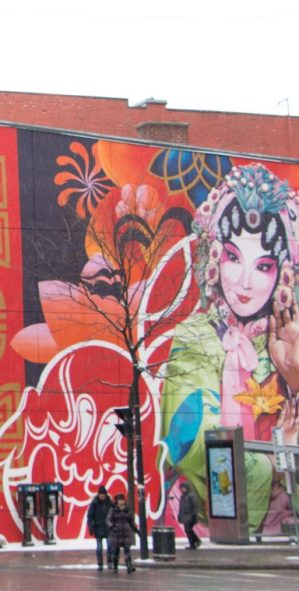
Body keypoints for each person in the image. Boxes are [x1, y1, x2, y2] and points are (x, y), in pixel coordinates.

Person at [163, 163, 299, 535]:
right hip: (210, 528)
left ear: (284, 272)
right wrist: (279, 460)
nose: (243, 282)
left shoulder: (290, 337)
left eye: (264, 265)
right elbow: (189, 442)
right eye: (233, 258)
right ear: (215, 256)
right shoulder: (195, 337)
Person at [106, 493, 139, 574]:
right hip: (116, 533)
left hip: (126, 533)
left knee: (127, 549)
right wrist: (112, 527)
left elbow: (131, 521)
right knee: (116, 551)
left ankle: (129, 566)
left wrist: (137, 531)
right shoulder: (113, 509)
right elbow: (108, 519)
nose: (122, 502)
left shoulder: (127, 509)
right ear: (117, 501)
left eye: (123, 500)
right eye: (120, 500)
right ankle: (115, 567)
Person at [85, 486, 112, 571]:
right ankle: (100, 563)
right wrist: (90, 527)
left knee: (110, 546)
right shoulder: (94, 503)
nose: (102, 496)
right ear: (98, 494)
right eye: (101, 494)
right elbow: (90, 516)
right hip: (98, 527)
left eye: (104, 494)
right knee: (99, 548)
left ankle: (109, 562)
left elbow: (114, 513)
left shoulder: (110, 503)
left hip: (108, 527)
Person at [177, 481, 201, 549]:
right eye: (182, 488)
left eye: (184, 488)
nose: (183, 489)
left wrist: (194, 514)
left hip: (190, 516)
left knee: (188, 530)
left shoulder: (191, 495)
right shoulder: (183, 496)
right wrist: (179, 515)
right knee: (188, 530)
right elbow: (181, 507)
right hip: (185, 516)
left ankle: (196, 541)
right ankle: (193, 544)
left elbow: (195, 505)